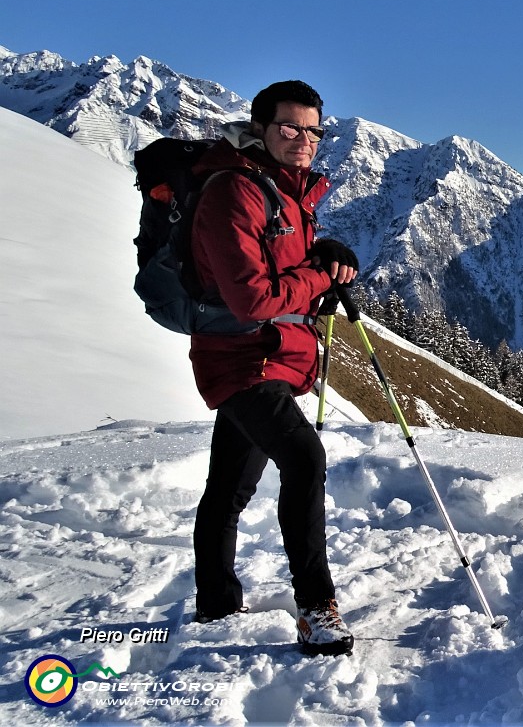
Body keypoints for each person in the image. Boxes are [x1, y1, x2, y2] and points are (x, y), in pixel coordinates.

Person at [186, 80, 360, 656]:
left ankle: (216, 602)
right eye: (290, 127)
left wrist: (323, 252)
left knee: (229, 488)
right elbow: (252, 299)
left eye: (313, 130)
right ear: (259, 127)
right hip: (240, 359)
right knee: (305, 459)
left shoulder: (287, 191)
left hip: (274, 357)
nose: (304, 140)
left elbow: (280, 260)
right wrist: (320, 279)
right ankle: (315, 607)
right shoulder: (233, 192)